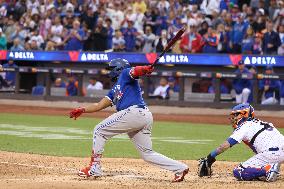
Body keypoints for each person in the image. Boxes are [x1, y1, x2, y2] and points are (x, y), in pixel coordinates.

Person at [69, 58, 189, 182]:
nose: (109, 72)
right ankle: (180, 168)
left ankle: (94, 168)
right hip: (143, 116)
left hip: (134, 112)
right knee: (147, 154)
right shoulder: (115, 90)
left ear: (118, 68)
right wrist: (83, 109)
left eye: (111, 69)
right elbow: (99, 105)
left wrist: (144, 69)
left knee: (99, 130)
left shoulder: (125, 74)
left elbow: (135, 71)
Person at [199, 103, 284, 182]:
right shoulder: (263, 123)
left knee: (238, 171)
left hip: (272, 154)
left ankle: (268, 170)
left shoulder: (245, 126)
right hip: (279, 151)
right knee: (258, 167)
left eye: (236, 115)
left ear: (245, 114)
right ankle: (270, 168)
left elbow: (225, 146)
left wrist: (210, 157)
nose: (234, 118)